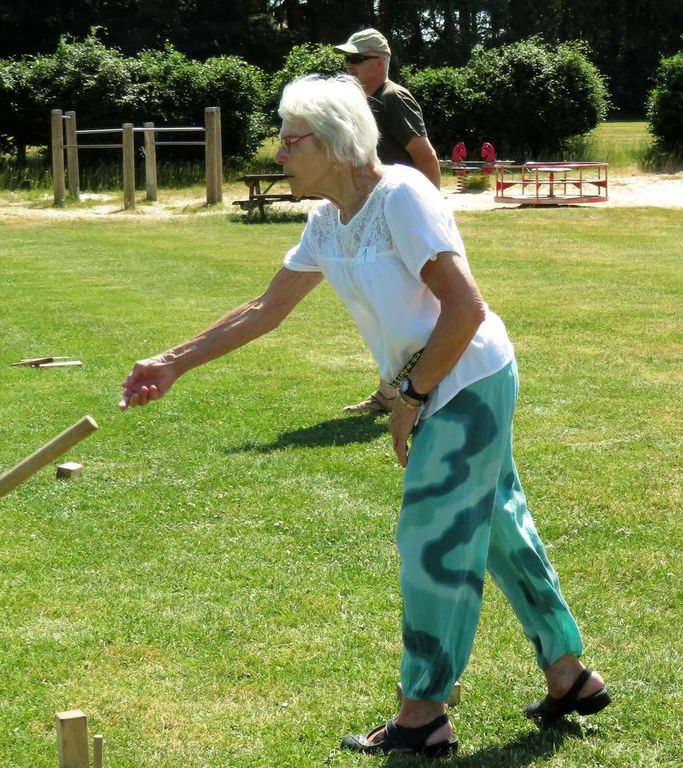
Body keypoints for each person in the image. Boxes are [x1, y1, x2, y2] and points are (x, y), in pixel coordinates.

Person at [120, 75, 609, 757]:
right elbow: (265, 308)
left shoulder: (402, 196)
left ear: (331, 142)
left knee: (431, 540)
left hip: (468, 379)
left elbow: (465, 308)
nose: (278, 154)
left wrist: (408, 398)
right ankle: (568, 674)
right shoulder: (327, 220)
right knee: (500, 527)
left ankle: (423, 712)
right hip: (433, 382)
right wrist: (171, 362)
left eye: (289, 141)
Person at [334, 27, 443, 416]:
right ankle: (389, 392)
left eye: (356, 59)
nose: (348, 66)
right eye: (346, 60)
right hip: (378, 218)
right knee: (383, 302)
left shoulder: (393, 98)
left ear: (379, 62)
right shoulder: (365, 102)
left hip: (403, 217)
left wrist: (430, 212)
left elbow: (426, 156)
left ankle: (423, 389)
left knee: (407, 306)